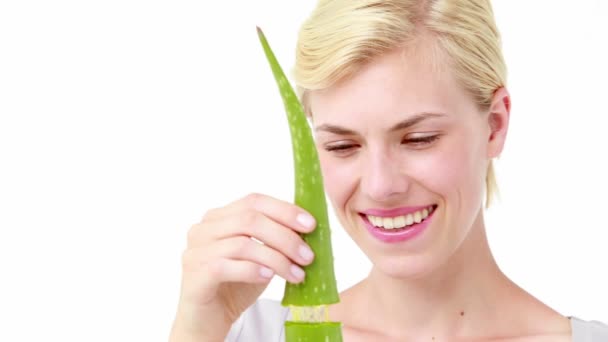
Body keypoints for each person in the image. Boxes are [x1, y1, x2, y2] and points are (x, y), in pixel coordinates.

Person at [169, 0, 608, 341]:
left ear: (494, 125)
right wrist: (196, 331)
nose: (380, 186)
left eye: (419, 139)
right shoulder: (255, 335)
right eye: (343, 146)